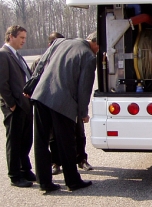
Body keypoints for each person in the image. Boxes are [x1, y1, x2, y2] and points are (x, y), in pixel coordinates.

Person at [31, 32, 99, 192]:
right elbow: (84, 88)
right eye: (99, 48)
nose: (99, 51)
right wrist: (83, 113)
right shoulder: (88, 56)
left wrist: (32, 84)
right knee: (67, 142)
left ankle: (44, 181)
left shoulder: (60, 42)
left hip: (41, 95)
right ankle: (72, 181)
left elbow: (41, 64)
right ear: (95, 43)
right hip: (63, 102)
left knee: (41, 141)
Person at [0, 25, 36, 188]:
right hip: (15, 107)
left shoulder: (16, 55)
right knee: (14, 142)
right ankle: (15, 175)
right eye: (21, 38)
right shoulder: (3, 55)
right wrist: (11, 104)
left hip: (25, 105)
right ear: (11, 37)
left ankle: (25, 169)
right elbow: (2, 83)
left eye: (24, 38)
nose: (23, 41)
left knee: (25, 140)